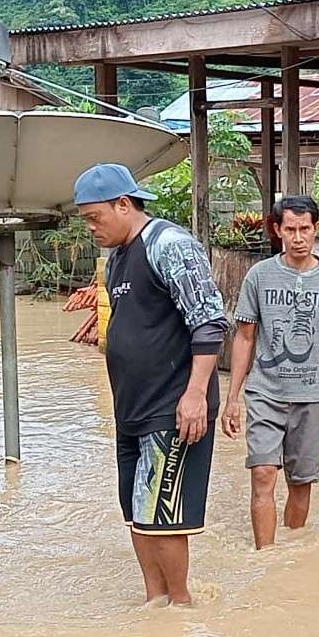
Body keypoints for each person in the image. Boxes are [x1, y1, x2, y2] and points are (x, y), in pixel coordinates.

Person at [75, 163, 228, 605]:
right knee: (137, 513)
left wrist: (196, 395)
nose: (90, 228)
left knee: (165, 516)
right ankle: (154, 602)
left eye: (94, 217)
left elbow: (208, 324)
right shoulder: (118, 257)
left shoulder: (170, 245)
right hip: (131, 409)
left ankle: (181, 606)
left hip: (173, 406)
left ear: (124, 204)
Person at [221, 195, 319, 550]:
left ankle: (291, 558)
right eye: (291, 230)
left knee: (300, 484)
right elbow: (245, 337)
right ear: (278, 230)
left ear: (316, 230)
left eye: (305, 229)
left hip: (313, 398)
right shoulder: (259, 276)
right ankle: (265, 557)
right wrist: (232, 398)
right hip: (265, 393)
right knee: (263, 474)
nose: (298, 238)